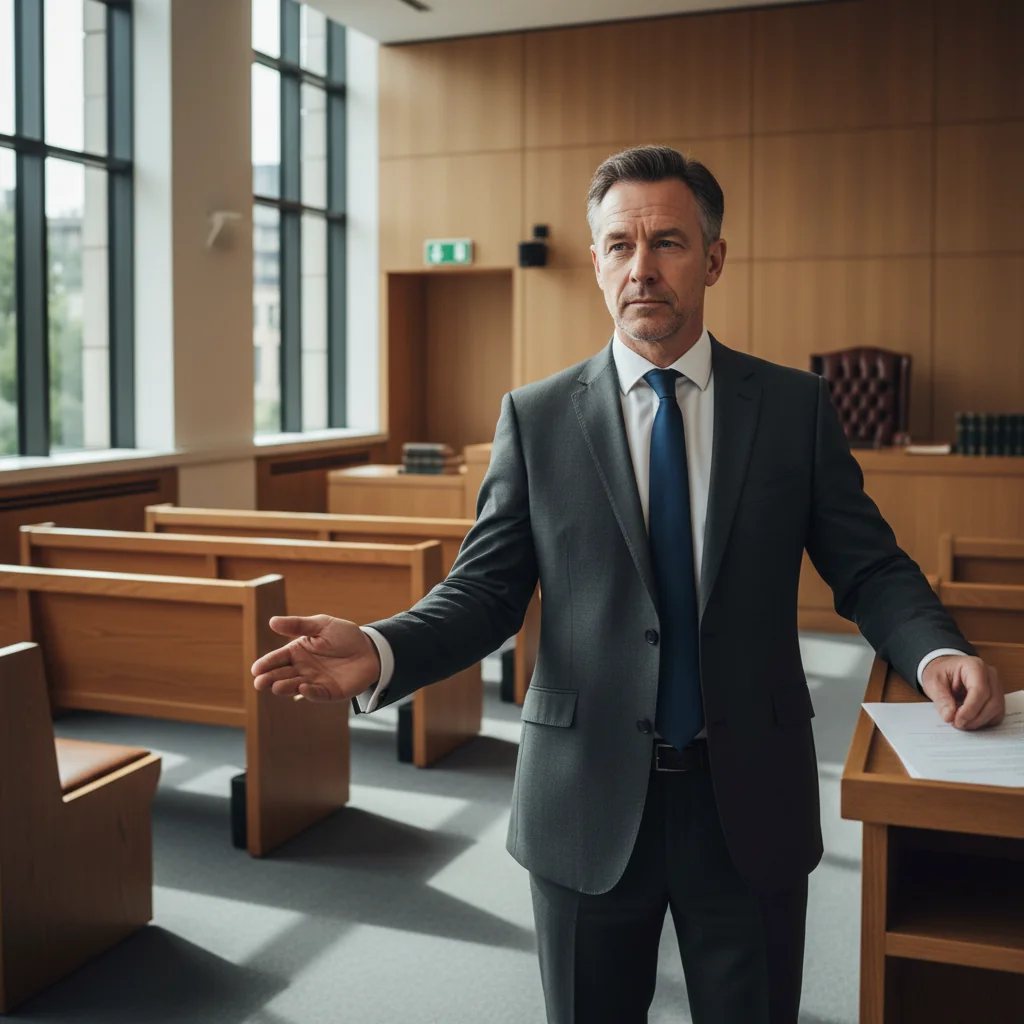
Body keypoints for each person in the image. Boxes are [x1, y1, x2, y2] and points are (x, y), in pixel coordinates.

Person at [251, 146, 1004, 1024]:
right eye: (619, 245)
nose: (641, 268)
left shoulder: (793, 409)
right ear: (597, 261)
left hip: (749, 800)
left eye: (667, 243)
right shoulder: (536, 417)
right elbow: (485, 593)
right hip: (583, 802)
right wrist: (383, 648)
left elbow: (869, 565)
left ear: (713, 259)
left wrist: (936, 650)